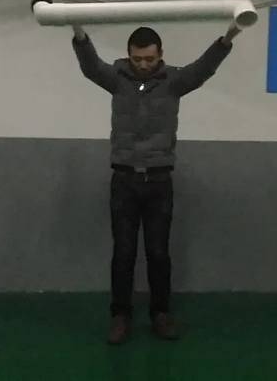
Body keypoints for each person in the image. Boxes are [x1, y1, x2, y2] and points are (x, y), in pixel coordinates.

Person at [71, 22, 241, 344]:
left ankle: (161, 314)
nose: (143, 65)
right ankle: (120, 316)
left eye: (149, 59)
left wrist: (229, 36)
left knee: (158, 252)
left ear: (161, 55)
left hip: (159, 182)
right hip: (124, 180)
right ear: (128, 55)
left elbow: (204, 68)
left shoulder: (173, 82)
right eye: (137, 59)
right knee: (123, 252)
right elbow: (91, 67)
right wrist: (78, 33)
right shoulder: (116, 79)